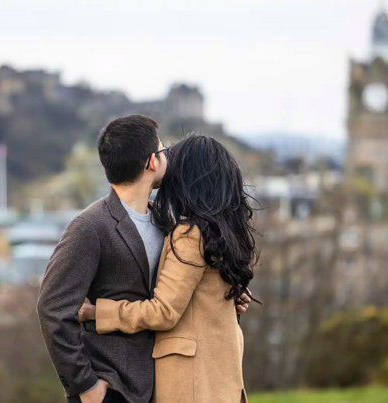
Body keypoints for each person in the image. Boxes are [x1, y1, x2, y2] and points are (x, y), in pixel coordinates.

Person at [37, 116, 249, 403]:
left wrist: (224, 295)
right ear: (152, 162)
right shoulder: (90, 226)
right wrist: (85, 385)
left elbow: (176, 292)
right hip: (111, 388)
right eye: (163, 150)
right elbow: (52, 308)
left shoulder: (166, 222)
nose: (169, 156)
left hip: (159, 384)